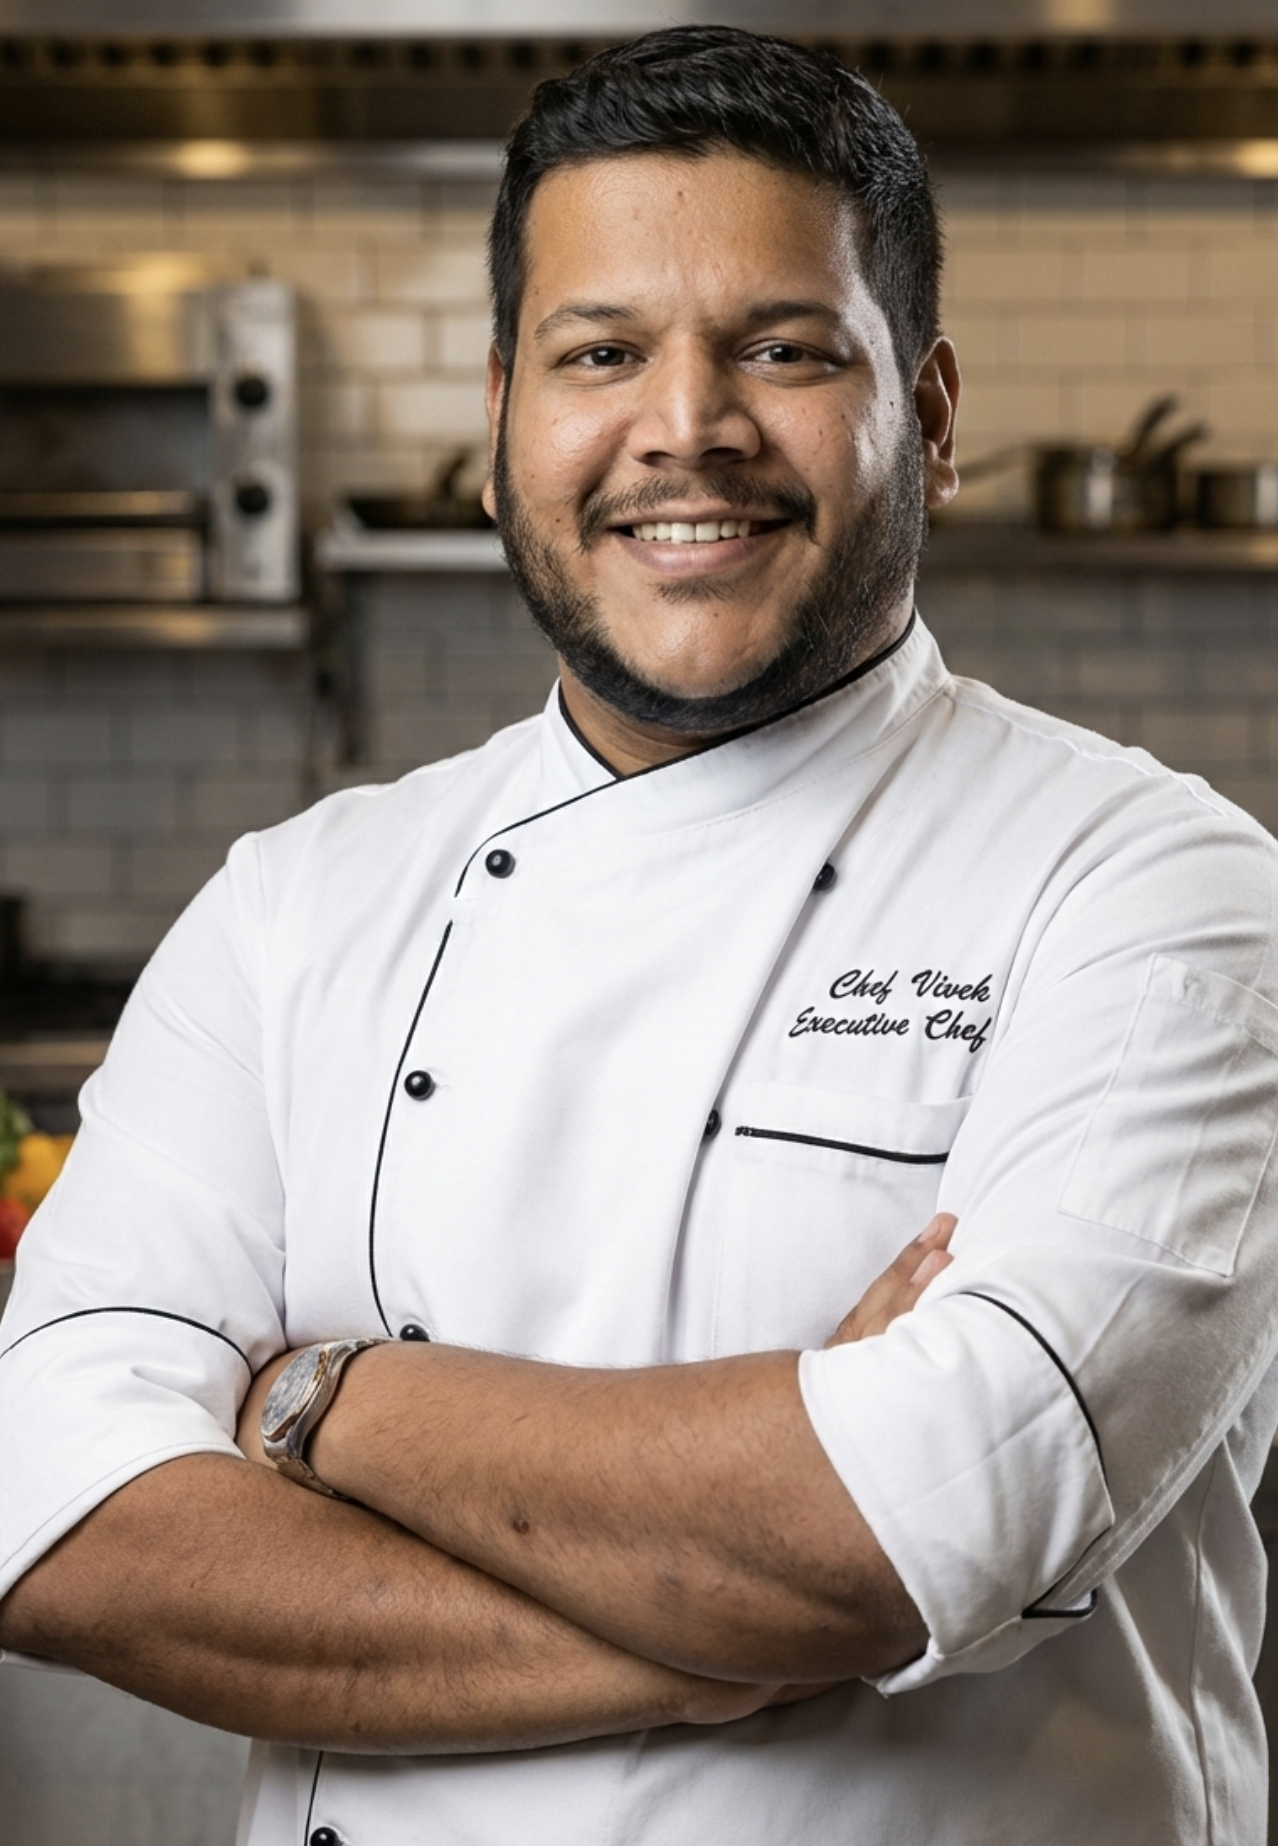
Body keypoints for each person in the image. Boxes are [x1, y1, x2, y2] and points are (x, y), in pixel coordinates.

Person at [3, 25, 1278, 1845]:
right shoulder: (299, 903)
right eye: (600, 353)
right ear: (505, 419)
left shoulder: (1149, 887)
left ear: (923, 410)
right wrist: (719, 1636)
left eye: (780, 346)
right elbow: (56, 1521)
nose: (684, 424)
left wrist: (321, 1400)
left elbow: (934, 1509)